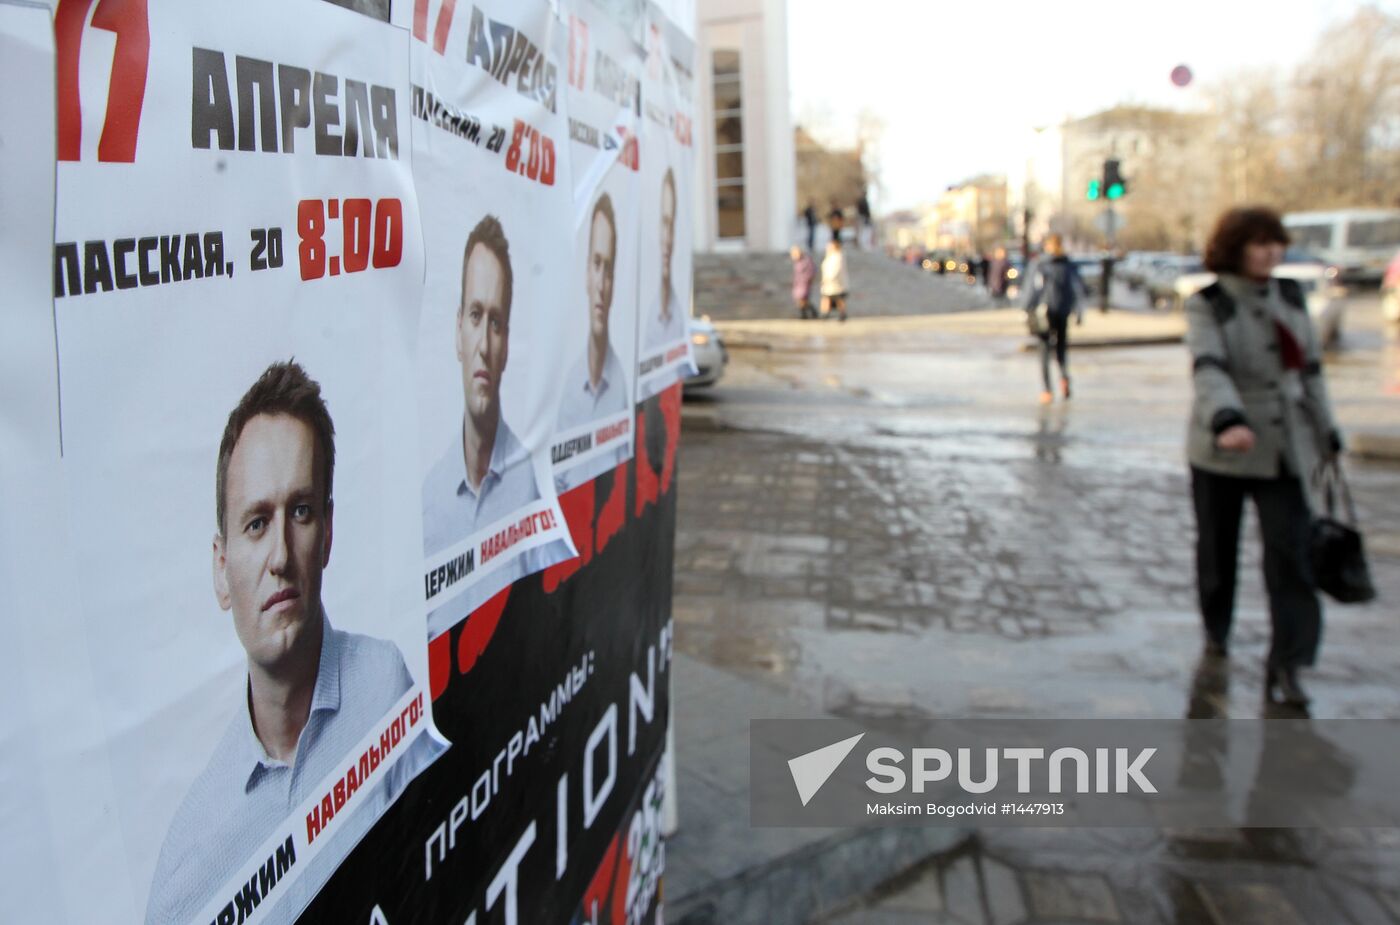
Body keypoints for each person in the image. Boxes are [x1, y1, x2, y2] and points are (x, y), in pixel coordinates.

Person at [148, 361, 440, 925]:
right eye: (256, 523)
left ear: (327, 534)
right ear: (221, 568)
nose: (280, 556)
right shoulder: (188, 864)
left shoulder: (386, 685)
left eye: (300, 512)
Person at [1185, 206, 1342, 708]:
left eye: (1276, 243)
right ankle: (1217, 632)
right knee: (1218, 551)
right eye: (1258, 243)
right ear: (1235, 248)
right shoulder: (1209, 303)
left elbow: (1311, 371)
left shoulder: (1291, 296)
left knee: (1291, 557)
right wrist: (1228, 418)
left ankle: (1290, 664)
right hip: (1223, 448)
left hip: (1285, 450)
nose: (1270, 253)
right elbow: (1208, 367)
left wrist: (1327, 428)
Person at [422, 214, 543, 554]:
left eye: (496, 323)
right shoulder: (429, 502)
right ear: (458, 331)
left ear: (506, 345)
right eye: (476, 316)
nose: (485, 347)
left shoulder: (529, 483)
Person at [557, 193, 630, 432]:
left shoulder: (622, 386)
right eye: (597, 264)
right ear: (586, 273)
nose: (600, 284)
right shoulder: (566, 388)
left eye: (608, 269)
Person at [1024, 233, 1087, 403]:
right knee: (1061, 348)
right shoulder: (1068, 264)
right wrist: (1079, 311)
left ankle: (1047, 389)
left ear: (1047, 246)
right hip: (1063, 310)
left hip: (1044, 311)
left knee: (1044, 350)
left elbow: (1034, 289)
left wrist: (1026, 308)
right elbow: (1077, 288)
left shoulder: (1040, 264)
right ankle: (1064, 377)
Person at [643, 167, 686, 350]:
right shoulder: (641, 316)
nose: (667, 238)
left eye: (671, 225)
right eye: (663, 224)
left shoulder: (679, 315)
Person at [820, 237, 849, 322]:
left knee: (839, 299)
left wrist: (830, 278)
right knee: (826, 298)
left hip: (836, 282)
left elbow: (837, 269)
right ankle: (824, 314)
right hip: (828, 282)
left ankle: (842, 314)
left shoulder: (838, 256)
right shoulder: (829, 256)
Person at [790, 245, 816, 319]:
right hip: (798, 283)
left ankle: (811, 312)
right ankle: (804, 313)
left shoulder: (807, 260)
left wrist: (808, 279)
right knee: (799, 299)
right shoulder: (797, 262)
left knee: (803, 299)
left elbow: (812, 271)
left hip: (805, 282)